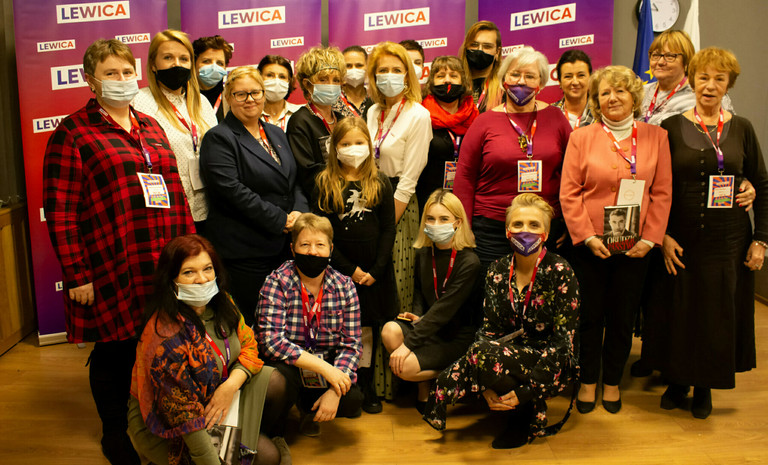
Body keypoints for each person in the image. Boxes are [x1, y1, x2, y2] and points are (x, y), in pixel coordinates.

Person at [42, 38, 194, 465]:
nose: (122, 80)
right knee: (115, 349)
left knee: (160, 343)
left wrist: (189, 254)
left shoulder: (151, 126)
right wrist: (78, 275)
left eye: (127, 72)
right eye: (111, 73)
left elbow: (175, 193)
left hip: (161, 260)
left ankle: (155, 420)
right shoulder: (73, 133)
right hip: (112, 262)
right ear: (91, 80)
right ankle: (114, 432)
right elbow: (61, 211)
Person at [645, 48, 768, 419]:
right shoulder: (670, 128)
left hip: (728, 241)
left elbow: (761, 183)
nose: (710, 86)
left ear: (728, 84)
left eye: (719, 79)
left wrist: (761, 240)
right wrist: (662, 235)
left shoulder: (742, 128)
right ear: (693, 81)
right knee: (678, 312)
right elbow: (655, 185)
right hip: (680, 238)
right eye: (703, 77)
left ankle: (704, 387)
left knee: (716, 315)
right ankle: (677, 380)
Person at [422, 193, 579, 449]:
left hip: (550, 359)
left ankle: (524, 412)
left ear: (546, 234)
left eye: (534, 225)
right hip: (505, 353)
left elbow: (563, 344)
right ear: (507, 231)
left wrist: (526, 391)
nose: (524, 231)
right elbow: (489, 330)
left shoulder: (561, 272)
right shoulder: (497, 269)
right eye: (517, 224)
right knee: (471, 359)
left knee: (479, 358)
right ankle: (505, 400)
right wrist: (484, 380)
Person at [559, 65, 673, 414]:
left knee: (623, 318)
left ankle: (611, 382)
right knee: (589, 317)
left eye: (620, 91)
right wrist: (586, 236)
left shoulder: (657, 137)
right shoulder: (581, 137)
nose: (613, 98)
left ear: (634, 97)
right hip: (591, 246)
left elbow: (662, 192)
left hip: (636, 247)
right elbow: (569, 193)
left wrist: (650, 240)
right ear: (596, 100)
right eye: (605, 93)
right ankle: (588, 381)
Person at [127, 235, 287, 465]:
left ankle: (247, 435)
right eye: (188, 272)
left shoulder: (223, 302)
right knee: (269, 456)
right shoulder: (164, 339)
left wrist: (230, 387)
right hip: (174, 425)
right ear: (171, 279)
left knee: (276, 381)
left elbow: (250, 345)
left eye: (207, 269)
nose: (202, 279)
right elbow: (186, 420)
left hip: (217, 393)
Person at [200, 66, 308, 326]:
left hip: (282, 247)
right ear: (229, 97)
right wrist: (281, 219)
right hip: (245, 252)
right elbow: (231, 191)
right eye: (241, 94)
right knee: (255, 324)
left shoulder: (275, 132)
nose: (250, 99)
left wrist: (299, 213)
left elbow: (293, 180)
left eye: (255, 92)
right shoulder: (219, 138)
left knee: (285, 322)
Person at [453, 46, 572, 268]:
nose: (521, 81)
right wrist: (464, 226)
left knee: (540, 287)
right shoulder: (484, 122)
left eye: (530, 76)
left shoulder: (556, 118)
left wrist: (568, 221)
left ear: (541, 83)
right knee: (491, 285)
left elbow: (572, 173)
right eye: (515, 74)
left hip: (544, 227)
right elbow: (465, 177)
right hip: (490, 229)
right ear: (504, 79)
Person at [313, 117, 397, 414]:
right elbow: (322, 233)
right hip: (340, 270)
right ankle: (343, 384)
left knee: (368, 328)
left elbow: (388, 228)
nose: (353, 148)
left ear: (369, 145)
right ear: (334, 148)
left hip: (375, 271)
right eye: (345, 144)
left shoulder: (380, 182)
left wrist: (376, 269)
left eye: (359, 143)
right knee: (343, 327)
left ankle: (367, 384)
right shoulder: (324, 183)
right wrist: (350, 271)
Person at [257, 213, 364, 437]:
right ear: (293, 249)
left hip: (327, 364)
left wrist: (335, 389)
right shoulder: (276, 282)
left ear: (330, 249)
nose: (312, 252)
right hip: (290, 367)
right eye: (305, 244)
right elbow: (271, 342)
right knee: (275, 383)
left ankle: (308, 409)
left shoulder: (345, 287)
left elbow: (351, 345)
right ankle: (274, 429)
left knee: (353, 399)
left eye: (320, 245)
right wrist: (326, 369)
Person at [381, 189, 481, 411]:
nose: (436, 224)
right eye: (430, 219)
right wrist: (417, 315)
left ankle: (459, 373)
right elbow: (419, 293)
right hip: (430, 327)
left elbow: (444, 310)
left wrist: (408, 345)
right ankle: (423, 389)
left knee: (404, 368)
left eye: (444, 219)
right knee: (390, 331)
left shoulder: (469, 261)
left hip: (457, 336)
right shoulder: (424, 254)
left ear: (457, 222)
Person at [366, 41, 432, 322]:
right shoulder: (372, 112)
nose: (389, 76)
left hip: (399, 206)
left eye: (396, 69)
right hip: (371, 198)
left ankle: (397, 345)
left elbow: (409, 180)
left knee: (397, 281)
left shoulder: (418, 114)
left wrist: (385, 226)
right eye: (383, 70)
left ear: (407, 75)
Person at [133, 30, 217, 233]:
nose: (176, 64)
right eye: (168, 58)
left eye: (183, 59)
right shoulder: (139, 103)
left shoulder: (202, 102)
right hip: (168, 211)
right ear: (153, 65)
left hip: (210, 209)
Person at [416, 55, 479, 213]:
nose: (447, 81)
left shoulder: (475, 117)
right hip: (427, 199)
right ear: (431, 82)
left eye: (454, 75)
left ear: (463, 81)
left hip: (466, 199)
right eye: (440, 76)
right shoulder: (420, 115)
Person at [287, 46, 347, 197]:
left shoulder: (342, 120)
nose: (331, 85)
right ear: (307, 84)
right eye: (323, 79)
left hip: (347, 195)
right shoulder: (300, 121)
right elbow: (307, 173)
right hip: (320, 200)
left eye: (336, 80)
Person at [640, 30, 733, 127]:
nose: (660, 62)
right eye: (656, 55)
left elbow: (728, 130)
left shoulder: (705, 95)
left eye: (669, 56)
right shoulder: (640, 92)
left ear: (686, 61)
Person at [458, 21, 503, 112]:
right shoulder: (455, 86)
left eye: (487, 46)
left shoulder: (505, 89)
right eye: (474, 45)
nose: (480, 50)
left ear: (497, 52)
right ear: (466, 48)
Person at [192, 35, 233, 122]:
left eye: (220, 63)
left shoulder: (231, 99)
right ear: (194, 64)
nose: (214, 67)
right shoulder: (183, 98)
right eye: (206, 61)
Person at [552, 49, 595, 129]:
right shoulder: (549, 114)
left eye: (581, 75)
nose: (575, 82)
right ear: (559, 81)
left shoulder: (602, 113)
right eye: (568, 76)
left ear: (590, 78)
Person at [258, 54, 303, 131]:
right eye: (270, 75)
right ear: (259, 78)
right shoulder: (250, 115)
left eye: (282, 77)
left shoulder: (301, 113)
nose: (277, 81)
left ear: (289, 81)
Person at [334, 46, 373, 118]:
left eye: (359, 65)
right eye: (348, 66)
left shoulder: (375, 100)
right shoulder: (333, 101)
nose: (354, 69)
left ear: (367, 67)